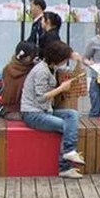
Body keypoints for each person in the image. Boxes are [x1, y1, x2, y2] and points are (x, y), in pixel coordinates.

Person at [20, 40, 85, 179]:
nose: (66, 61)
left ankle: (68, 154)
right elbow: (41, 98)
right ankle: (65, 164)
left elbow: (71, 70)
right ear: (58, 58)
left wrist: (76, 58)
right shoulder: (41, 71)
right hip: (32, 113)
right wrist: (61, 88)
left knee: (72, 114)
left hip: (45, 110)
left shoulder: (51, 67)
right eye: (65, 58)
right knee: (65, 125)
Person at [0, 41, 39, 119]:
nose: (34, 58)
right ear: (24, 57)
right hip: (25, 111)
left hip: (8, 110)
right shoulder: (32, 71)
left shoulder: (7, 68)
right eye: (32, 56)